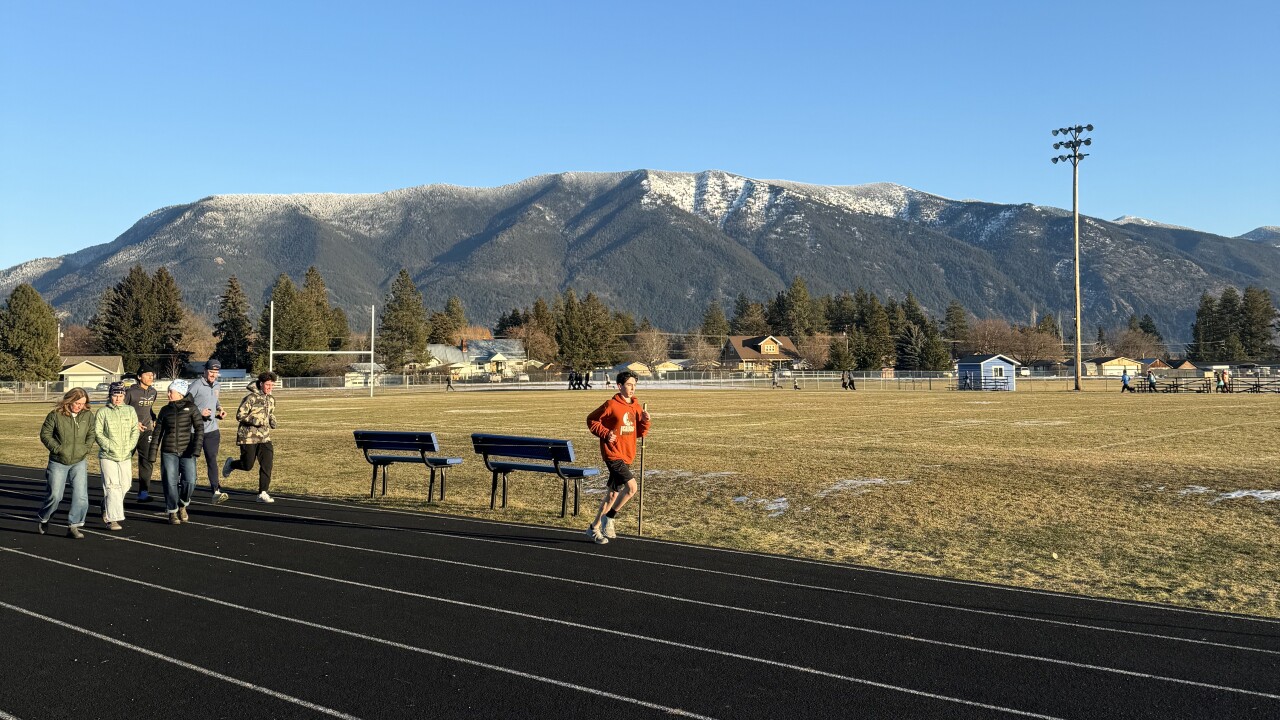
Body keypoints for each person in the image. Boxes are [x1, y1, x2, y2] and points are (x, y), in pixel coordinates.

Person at [584, 371, 651, 544]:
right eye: (629, 385)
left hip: (627, 455)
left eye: (634, 385)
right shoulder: (611, 405)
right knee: (632, 488)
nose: (632, 388)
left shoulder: (636, 406)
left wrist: (645, 421)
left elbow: (639, 433)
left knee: (612, 495)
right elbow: (591, 420)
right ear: (619, 386)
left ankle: (594, 528)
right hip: (613, 454)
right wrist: (606, 434)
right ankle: (610, 518)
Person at [37, 387, 96, 538]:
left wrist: (86, 448)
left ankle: (74, 525)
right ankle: (45, 517)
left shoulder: (88, 415)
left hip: (79, 460)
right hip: (59, 461)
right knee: (55, 495)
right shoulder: (56, 415)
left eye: (83, 403)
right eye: (77, 403)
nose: (80, 406)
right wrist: (57, 449)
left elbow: (91, 433)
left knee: (81, 495)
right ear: (69, 401)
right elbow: (45, 434)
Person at [148, 379, 204, 525]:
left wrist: (196, 449)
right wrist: (152, 453)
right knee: (170, 482)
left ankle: (183, 504)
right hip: (168, 451)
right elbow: (157, 433)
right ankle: (172, 511)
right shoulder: (165, 410)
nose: (168, 394)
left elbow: (199, 428)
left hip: (188, 451)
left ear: (179, 393)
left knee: (190, 481)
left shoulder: (191, 408)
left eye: (170, 391)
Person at [223, 371, 278, 503]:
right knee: (247, 465)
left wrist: (272, 420)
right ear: (261, 384)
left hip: (264, 437)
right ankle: (232, 464)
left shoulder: (271, 399)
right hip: (248, 436)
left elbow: (270, 414)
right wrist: (256, 420)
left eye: (272, 385)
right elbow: (240, 415)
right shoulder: (251, 398)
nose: (270, 387)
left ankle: (263, 492)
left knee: (267, 464)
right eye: (268, 384)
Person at [94, 382, 138, 531]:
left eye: (120, 395)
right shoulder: (102, 412)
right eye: (115, 395)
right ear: (110, 395)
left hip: (125, 455)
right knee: (113, 487)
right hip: (108, 455)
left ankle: (106, 504)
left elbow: (134, 430)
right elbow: (98, 433)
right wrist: (109, 446)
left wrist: (130, 446)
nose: (118, 399)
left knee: (125, 485)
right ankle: (112, 519)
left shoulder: (130, 410)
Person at [189, 358, 230, 503]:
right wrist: (200, 411)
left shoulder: (217, 385)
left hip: (212, 430)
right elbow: (185, 404)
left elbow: (215, 399)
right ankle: (186, 486)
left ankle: (216, 490)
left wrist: (219, 409)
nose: (213, 374)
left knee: (212, 459)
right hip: (194, 431)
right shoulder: (195, 385)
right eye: (211, 371)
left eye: (216, 372)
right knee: (190, 460)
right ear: (205, 371)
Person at [124, 364, 159, 502]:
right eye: (147, 374)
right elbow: (122, 411)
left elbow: (149, 409)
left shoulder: (153, 392)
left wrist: (154, 418)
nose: (151, 377)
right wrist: (133, 423)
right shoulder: (130, 393)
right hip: (130, 431)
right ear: (139, 377)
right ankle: (120, 491)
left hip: (147, 432)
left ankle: (143, 492)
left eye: (152, 374)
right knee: (125, 460)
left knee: (147, 461)